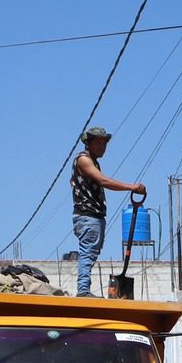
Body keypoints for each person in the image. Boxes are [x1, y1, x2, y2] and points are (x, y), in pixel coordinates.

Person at [70, 126, 145, 297]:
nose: (102, 147)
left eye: (104, 144)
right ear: (88, 143)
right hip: (87, 215)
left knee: (92, 251)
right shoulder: (83, 160)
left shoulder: (94, 162)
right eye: (99, 143)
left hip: (94, 215)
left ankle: (84, 288)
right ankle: (83, 290)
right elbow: (103, 181)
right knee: (88, 251)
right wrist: (131, 186)